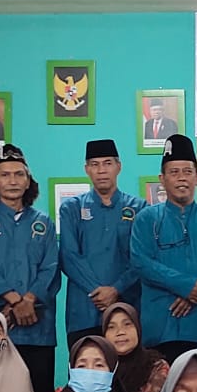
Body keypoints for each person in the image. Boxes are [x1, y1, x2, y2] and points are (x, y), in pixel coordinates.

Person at [0, 144, 61, 392]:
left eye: (19, 174)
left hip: (38, 329)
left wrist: (29, 300)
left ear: (28, 180)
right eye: (5, 174)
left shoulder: (42, 222)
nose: (12, 181)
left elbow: (50, 267)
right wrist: (13, 300)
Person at [130, 134, 197, 360]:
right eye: (174, 172)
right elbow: (141, 262)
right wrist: (186, 286)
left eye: (187, 172)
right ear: (162, 178)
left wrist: (192, 295)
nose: (181, 179)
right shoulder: (146, 219)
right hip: (160, 324)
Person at [60, 139, 146, 349]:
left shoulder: (139, 208)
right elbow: (69, 256)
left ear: (119, 166)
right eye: (95, 164)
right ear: (86, 169)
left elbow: (141, 258)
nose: (101, 170)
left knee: (128, 376)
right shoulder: (71, 208)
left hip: (126, 310)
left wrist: (116, 289)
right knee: (85, 375)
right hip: (84, 310)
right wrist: (99, 291)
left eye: (107, 163)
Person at [101, 302, 171, 392]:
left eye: (127, 324)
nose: (120, 332)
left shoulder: (156, 367)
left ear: (138, 328)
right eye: (111, 327)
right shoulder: (100, 369)